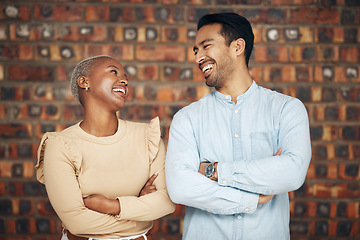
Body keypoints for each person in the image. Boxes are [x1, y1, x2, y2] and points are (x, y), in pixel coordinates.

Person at [165, 12, 311, 239]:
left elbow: (292, 172)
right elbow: (180, 187)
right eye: (196, 50)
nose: (197, 58)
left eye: (206, 46)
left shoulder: (286, 109)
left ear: (237, 47)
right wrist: (250, 198)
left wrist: (213, 171)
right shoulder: (187, 119)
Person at [35, 55, 175, 240]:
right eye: (113, 72)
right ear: (84, 82)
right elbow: (76, 221)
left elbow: (166, 202)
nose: (124, 80)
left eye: (125, 76)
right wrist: (140, 209)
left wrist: (112, 206)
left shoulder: (147, 136)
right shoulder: (60, 145)